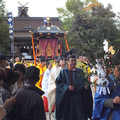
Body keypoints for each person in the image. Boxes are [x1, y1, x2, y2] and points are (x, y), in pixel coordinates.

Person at [55, 54, 93, 120]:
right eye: (71, 61)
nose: (73, 62)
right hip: (69, 99)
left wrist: (86, 86)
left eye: (74, 61)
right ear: (68, 62)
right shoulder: (63, 72)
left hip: (80, 99)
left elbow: (85, 81)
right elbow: (59, 84)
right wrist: (67, 87)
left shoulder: (80, 71)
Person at [92, 52, 120, 120]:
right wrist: (113, 101)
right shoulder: (106, 81)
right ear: (114, 68)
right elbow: (98, 100)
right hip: (114, 113)